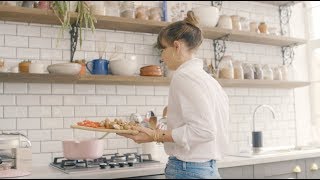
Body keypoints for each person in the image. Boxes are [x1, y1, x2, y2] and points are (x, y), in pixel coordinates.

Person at [118, 11, 229, 179]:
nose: (162, 56)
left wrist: (154, 135)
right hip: (207, 169)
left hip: (188, 170)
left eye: (163, 49)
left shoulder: (184, 76)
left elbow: (204, 131)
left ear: (176, 46)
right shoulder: (209, 80)